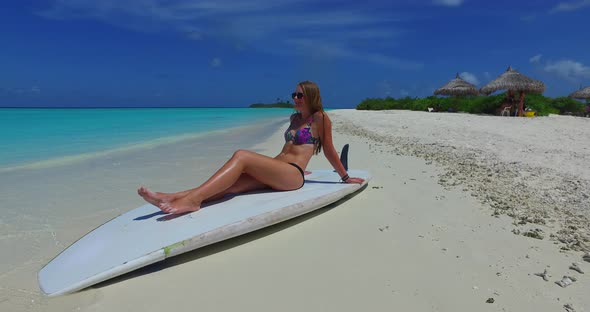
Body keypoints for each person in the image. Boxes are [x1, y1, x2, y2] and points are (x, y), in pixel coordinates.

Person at [138, 81, 365, 214]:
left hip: (292, 177)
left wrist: (345, 178)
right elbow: (288, 150)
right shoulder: (293, 119)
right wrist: (276, 167)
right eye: (294, 94)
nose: (295, 98)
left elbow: (328, 150)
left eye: (300, 95)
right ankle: (169, 197)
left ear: (311, 97)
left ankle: (193, 201)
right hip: (279, 170)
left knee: (242, 156)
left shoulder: (320, 118)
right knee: (231, 185)